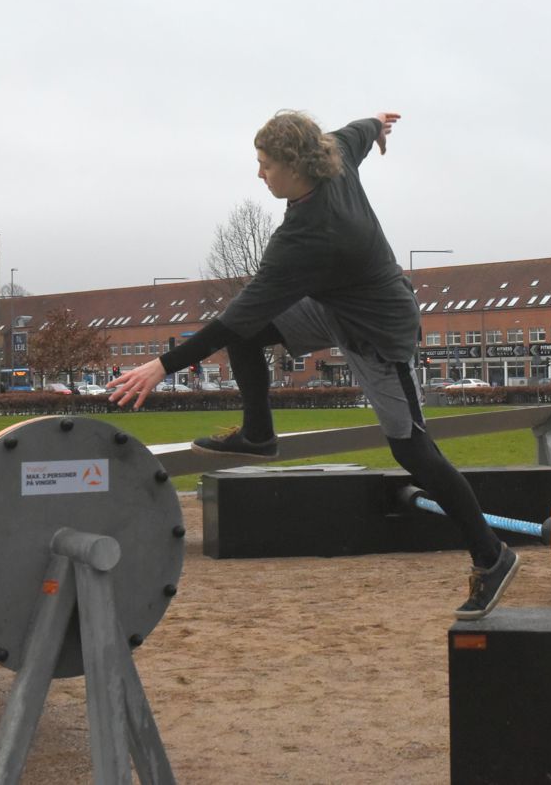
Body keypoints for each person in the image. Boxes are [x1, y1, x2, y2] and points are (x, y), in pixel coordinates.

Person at [109, 110, 519, 619]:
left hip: (377, 331)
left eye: (264, 166)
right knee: (252, 333)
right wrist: (378, 123)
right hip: (333, 306)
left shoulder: (310, 238)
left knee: (415, 452)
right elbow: (360, 132)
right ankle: (258, 433)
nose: (259, 174)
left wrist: (161, 366)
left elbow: (233, 320)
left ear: (295, 167)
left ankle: (491, 555)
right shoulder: (337, 153)